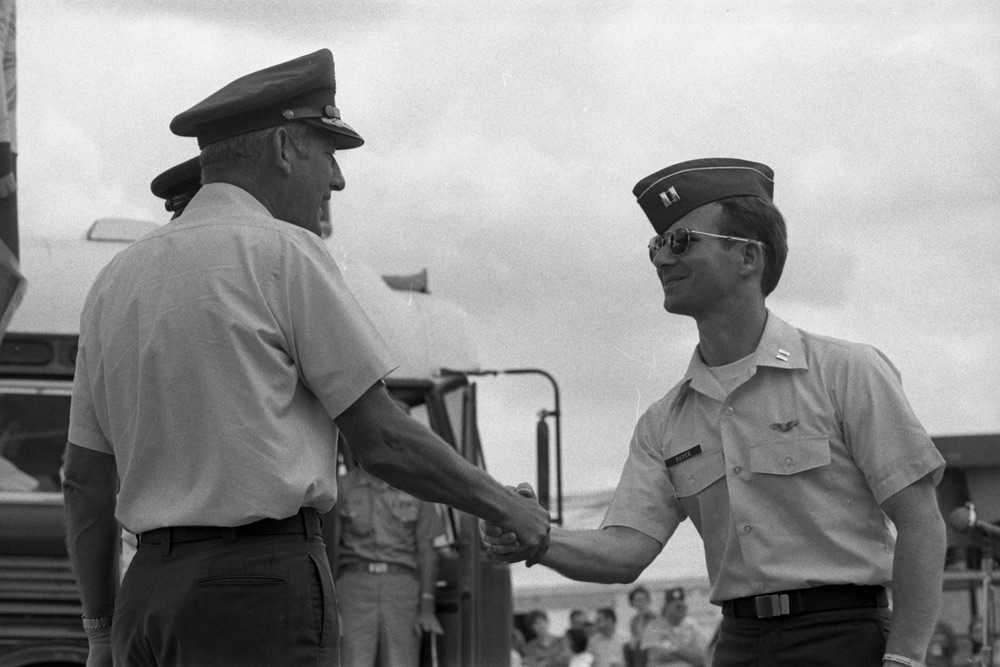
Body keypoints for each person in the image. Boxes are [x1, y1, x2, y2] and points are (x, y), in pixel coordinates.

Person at [62, 48, 550, 667]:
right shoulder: (285, 252)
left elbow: (83, 480)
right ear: (285, 148)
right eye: (330, 152)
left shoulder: (113, 282)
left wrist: (102, 631)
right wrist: (507, 506)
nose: (337, 180)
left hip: (147, 598)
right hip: (258, 589)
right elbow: (383, 440)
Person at [484, 157, 947, 667]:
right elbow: (625, 552)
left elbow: (921, 522)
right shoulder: (664, 422)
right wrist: (537, 537)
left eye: (681, 241)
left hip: (845, 640)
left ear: (748, 256)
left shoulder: (847, 373)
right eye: (657, 245)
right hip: (739, 646)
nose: (662, 259)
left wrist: (904, 659)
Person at [335, 459, 446, 666]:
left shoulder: (416, 489)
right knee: (352, 660)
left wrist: (426, 607)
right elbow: (329, 547)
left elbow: (428, 552)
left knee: (401, 661)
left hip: (401, 588)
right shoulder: (342, 487)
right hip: (354, 585)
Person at [639, 588, 707, 667]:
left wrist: (674, 649)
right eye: (678, 607)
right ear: (667, 608)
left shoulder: (691, 625)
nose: (682, 611)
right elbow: (659, 654)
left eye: (684, 607)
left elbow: (703, 655)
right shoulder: (653, 626)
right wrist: (686, 654)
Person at [626, 585, 658, 667]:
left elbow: (655, 636)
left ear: (648, 600)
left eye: (643, 599)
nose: (641, 603)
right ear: (632, 602)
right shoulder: (634, 620)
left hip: (653, 657)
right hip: (640, 658)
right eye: (637, 600)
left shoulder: (654, 617)